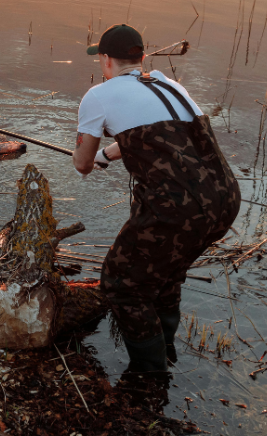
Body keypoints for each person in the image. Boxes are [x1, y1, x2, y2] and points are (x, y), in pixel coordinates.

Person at [73, 24, 240, 373]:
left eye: (101, 57)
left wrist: (93, 156)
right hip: (224, 199)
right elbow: (165, 139)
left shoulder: (99, 95)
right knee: (166, 276)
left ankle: (148, 377)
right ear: (142, 58)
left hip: (177, 209)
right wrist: (110, 153)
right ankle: (166, 354)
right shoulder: (169, 84)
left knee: (122, 284)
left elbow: (82, 164)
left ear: (105, 60)